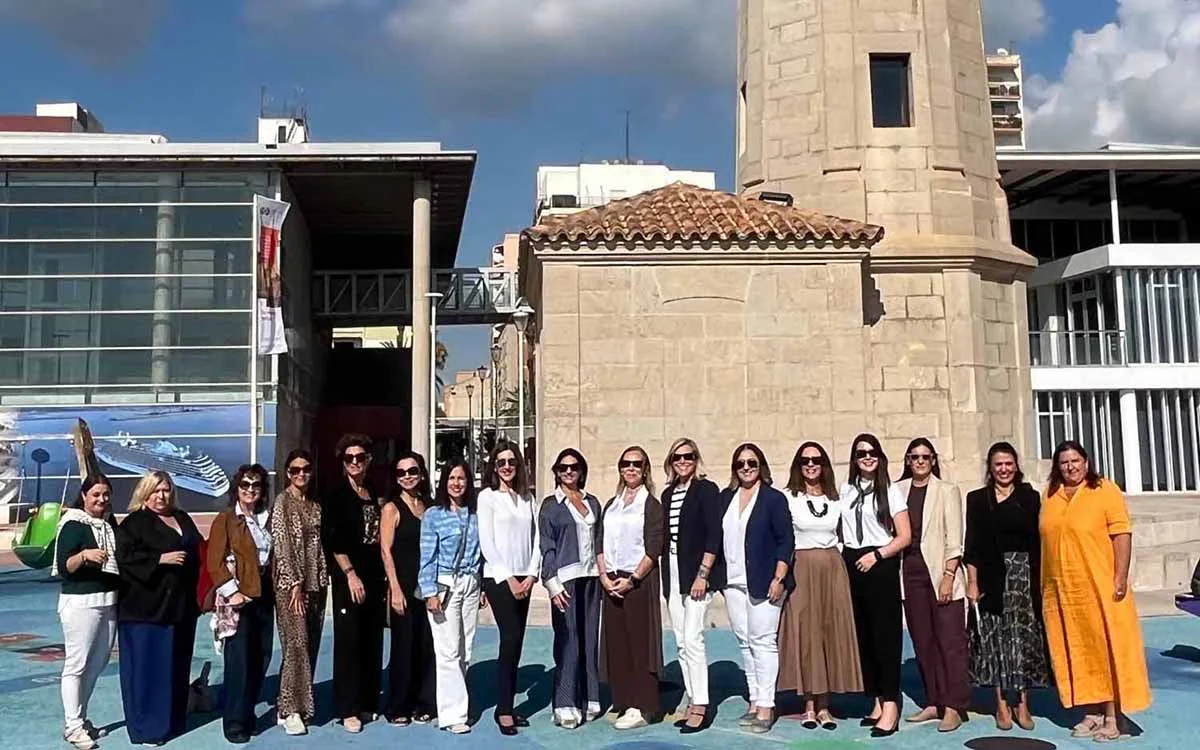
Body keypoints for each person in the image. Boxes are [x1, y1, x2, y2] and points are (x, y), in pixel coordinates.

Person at [1041, 440, 1152, 742]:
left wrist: (1120, 577)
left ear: (1087, 462)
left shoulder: (1105, 491)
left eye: (1076, 460)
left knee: (1106, 651)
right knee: (1078, 651)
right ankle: (1091, 713)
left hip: (1100, 587)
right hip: (1064, 592)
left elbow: (1121, 535)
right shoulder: (1051, 496)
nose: (1070, 467)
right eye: (1064, 462)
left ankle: (1114, 718)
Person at [964, 442, 1049, 731]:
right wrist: (972, 582)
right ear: (990, 467)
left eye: (1008, 463)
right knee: (995, 642)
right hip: (990, 577)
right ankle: (1000, 702)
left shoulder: (1030, 497)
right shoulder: (977, 499)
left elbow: (1038, 542)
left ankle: (1022, 702)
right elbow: (971, 546)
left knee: (1022, 641)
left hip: (1022, 578)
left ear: (1016, 466)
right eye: (998, 464)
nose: (1003, 469)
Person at [778, 442, 862, 731]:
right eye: (805, 461)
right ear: (798, 466)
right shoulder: (788, 497)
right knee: (807, 633)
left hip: (831, 568)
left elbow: (845, 533)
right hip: (802, 567)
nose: (811, 465)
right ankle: (809, 705)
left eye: (816, 460)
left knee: (828, 631)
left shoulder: (837, 498)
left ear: (824, 464)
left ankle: (825, 705)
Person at [115, 471, 203, 746]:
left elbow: (199, 548)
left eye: (165, 490)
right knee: (147, 671)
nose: (161, 496)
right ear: (145, 492)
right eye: (155, 491)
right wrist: (160, 559)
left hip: (181, 607)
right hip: (145, 610)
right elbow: (125, 559)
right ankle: (147, 728)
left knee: (176, 667)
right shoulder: (134, 523)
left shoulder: (182, 518)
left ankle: (172, 721)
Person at [838, 433, 911, 738]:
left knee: (886, 637)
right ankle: (877, 700)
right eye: (860, 453)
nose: (866, 457)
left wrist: (876, 556)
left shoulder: (890, 491)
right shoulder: (847, 490)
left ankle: (892, 704)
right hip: (853, 561)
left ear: (880, 457)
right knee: (864, 636)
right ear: (854, 459)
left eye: (871, 452)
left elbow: (905, 536)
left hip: (880, 562)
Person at [718, 443, 794, 735]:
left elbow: (785, 540)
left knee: (763, 641)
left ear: (761, 465)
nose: (746, 467)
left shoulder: (773, 499)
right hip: (734, 583)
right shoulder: (727, 498)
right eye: (740, 463)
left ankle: (767, 704)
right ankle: (754, 699)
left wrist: (779, 577)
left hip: (765, 581)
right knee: (745, 642)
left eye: (752, 462)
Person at [895, 438, 969, 733]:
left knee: (950, 643)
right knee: (923, 641)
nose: (921, 461)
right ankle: (934, 700)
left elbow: (955, 539)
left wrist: (949, 576)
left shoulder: (947, 491)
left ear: (934, 460)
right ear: (908, 460)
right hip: (909, 575)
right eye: (915, 457)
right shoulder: (897, 490)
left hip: (940, 575)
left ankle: (953, 706)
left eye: (926, 457)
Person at [658, 438, 724, 734]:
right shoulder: (668, 493)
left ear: (696, 459)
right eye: (677, 457)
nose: (683, 461)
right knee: (681, 640)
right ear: (671, 462)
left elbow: (714, 535)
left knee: (694, 637)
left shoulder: (707, 490)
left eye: (688, 456)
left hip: (696, 572)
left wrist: (703, 574)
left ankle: (701, 704)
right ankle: (691, 696)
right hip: (671, 570)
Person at [597, 446, 664, 730]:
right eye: (626, 463)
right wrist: (603, 576)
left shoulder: (651, 505)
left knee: (640, 645)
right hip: (611, 580)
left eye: (637, 463)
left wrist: (633, 580)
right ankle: (623, 698)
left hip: (637, 582)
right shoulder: (612, 503)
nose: (631, 468)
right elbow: (599, 541)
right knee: (617, 644)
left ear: (645, 469)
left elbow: (653, 547)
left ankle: (643, 705)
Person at [322, 434, 386, 733]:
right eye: (349, 458)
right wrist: (350, 574)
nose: (355, 463)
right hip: (350, 576)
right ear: (343, 462)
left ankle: (368, 700)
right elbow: (332, 541)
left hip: (374, 574)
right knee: (349, 641)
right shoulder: (335, 496)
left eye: (360, 457)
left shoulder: (372, 490)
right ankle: (348, 707)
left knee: (372, 638)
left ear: (368, 460)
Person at [207, 464, 274, 743]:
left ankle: (248, 714)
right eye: (244, 485)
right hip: (240, 597)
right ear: (236, 488)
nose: (250, 490)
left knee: (261, 656)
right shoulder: (225, 520)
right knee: (239, 662)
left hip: (265, 593)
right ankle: (234, 721)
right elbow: (214, 561)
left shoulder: (266, 519)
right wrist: (232, 592)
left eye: (255, 485)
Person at [477, 442, 540, 735]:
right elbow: (486, 542)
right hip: (499, 579)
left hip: (524, 576)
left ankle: (510, 707)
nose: (506, 467)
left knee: (516, 644)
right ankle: (503, 710)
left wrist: (531, 574)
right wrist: (509, 579)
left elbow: (537, 539)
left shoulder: (528, 498)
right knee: (510, 637)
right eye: (500, 462)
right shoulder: (488, 498)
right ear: (494, 466)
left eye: (511, 462)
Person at [54, 474, 121, 750]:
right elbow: (64, 565)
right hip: (81, 603)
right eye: (96, 495)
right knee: (77, 664)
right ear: (84, 496)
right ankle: (73, 725)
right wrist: (84, 556)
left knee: (98, 663)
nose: (101, 500)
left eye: (105, 495)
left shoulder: (108, 523)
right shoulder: (72, 524)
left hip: (108, 600)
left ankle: (80, 718)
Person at [539, 448, 603, 729]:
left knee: (590, 638)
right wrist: (552, 584)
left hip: (591, 577)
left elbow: (599, 540)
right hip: (565, 579)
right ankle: (564, 702)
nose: (568, 472)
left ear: (581, 470)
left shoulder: (593, 503)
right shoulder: (551, 505)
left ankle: (589, 697)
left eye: (574, 467)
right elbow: (546, 546)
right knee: (568, 640)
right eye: (563, 468)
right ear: (556, 471)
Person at [418, 461, 482, 735]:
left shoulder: (476, 514)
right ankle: (453, 714)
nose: (456, 483)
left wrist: (483, 587)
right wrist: (429, 591)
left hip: (471, 583)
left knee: (465, 648)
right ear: (444, 482)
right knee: (448, 651)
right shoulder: (434, 514)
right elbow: (427, 556)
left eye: (462, 478)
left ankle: (456, 702)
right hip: (445, 584)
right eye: (452, 478)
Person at [270, 449, 328, 736]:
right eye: (295, 470)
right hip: (290, 587)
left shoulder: (315, 505)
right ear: (287, 473)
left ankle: (296, 702)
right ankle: (289, 708)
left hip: (317, 582)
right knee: (295, 645)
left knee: (311, 645)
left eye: (305, 469)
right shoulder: (283, 503)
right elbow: (281, 544)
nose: (301, 474)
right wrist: (294, 583)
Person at [380, 451, 436, 726]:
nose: (407, 477)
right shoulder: (391, 508)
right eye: (401, 473)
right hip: (402, 587)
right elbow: (385, 551)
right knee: (403, 648)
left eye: (412, 471)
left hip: (426, 588)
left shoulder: (428, 506)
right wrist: (395, 589)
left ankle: (424, 702)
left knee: (426, 646)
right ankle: (398, 706)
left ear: (421, 473)